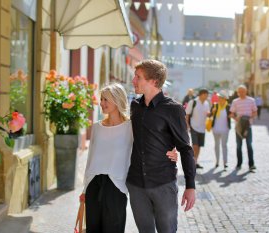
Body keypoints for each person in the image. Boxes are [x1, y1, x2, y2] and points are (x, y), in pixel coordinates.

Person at [80, 83, 178, 233]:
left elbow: (148, 146)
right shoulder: (96, 127)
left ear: (117, 100)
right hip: (94, 184)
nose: (102, 103)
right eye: (101, 99)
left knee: (114, 228)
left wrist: (171, 151)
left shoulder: (131, 127)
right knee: (92, 229)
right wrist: (85, 188)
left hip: (117, 185)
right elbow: (90, 158)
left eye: (106, 99)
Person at [127, 60, 196, 233]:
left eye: (138, 77)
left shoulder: (173, 109)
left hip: (163, 184)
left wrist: (190, 186)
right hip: (136, 184)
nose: (133, 81)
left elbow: (186, 149)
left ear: (154, 81)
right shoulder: (135, 106)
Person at [230, 85, 258, 172]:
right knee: (238, 146)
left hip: (248, 126)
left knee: (249, 145)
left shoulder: (251, 100)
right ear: (238, 92)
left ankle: (251, 164)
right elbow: (231, 113)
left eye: (243, 91)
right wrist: (236, 118)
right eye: (240, 91)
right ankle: (239, 164)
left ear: (246, 91)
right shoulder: (235, 101)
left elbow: (255, 112)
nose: (241, 93)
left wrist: (250, 118)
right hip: (238, 127)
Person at [185, 89, 210, 169]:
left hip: (202, 128)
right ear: (201, 94)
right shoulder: (193, 102)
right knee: (195, 146)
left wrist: (209, 114)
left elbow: (207, 113)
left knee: (199, 146)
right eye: (206, 95)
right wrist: (187, 125)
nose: (207, 96)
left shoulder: (206, 103)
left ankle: (195, 162)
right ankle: (191, 161)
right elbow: (187, 114)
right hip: (194, 126)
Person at [209, 90, 231, 170]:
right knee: (216, 146)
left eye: (221, 98)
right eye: (219, 97)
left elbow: (231, 115)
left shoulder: (228, 107)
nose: (219, 99)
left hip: (225, 129)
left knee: (224, 146)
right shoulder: (215, 105)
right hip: (215, 129)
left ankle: (225, 163)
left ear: (225, 99)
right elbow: (210, 115)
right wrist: (211, 112)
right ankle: (217, 162)